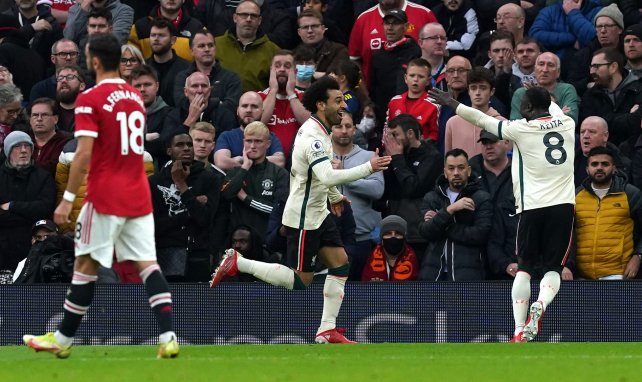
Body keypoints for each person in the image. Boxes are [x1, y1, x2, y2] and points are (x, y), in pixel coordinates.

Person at [23, 33, 178, 359]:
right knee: (148, 265)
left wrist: (66, 199)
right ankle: (168, 336)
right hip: (138, 193)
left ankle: (63, 340)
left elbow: (83, 155)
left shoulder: (90, 98)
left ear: (93, 60)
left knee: (84, 265)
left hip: (105, 195)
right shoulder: (135, 97)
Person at [210, 76, 392, 344]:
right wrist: (369, 168)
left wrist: (334, 198)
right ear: (321, 104)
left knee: (340, 264)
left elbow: (315, 177)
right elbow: (328, 175)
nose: (343, 105)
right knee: (300, 281)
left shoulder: (321, 130)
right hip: (304, 217)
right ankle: (240, 262)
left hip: (319, 211)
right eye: (337, 100)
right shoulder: (313, 138)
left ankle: (326, 330)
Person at [428, 85, 575, 342]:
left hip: (532, 207)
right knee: (553, 268)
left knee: (525, 269)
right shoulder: (567, 123)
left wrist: (453, 103)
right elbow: (549, 107)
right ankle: (541, 302)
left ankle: (519, 329)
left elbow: (483, 119)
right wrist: (541, 94)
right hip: (563, 206)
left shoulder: (519, 129)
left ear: (527, 109)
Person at [149, 131, 220, 282]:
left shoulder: (210, 179)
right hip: (164, 253)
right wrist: (190, 209)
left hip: (198, 254)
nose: (186, 148)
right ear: (169, 151)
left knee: (197, 304)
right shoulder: (154, 182)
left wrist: (181, 185)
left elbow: (205, 219)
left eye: (189, 144)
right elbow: (154, 226)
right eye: (180, 145)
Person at [419, 148, 493, 281]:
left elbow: (480, 235)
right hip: (433, 273)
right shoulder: (431, 197)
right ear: (445, 172)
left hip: (468, 275)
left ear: (469, 171)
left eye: (461, 168)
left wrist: (442, 223)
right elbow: (425, 232)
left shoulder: (481, 198)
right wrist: (450, 210)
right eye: (451, 168)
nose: (456, 173)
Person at [575, 146, 642, 280]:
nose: (599, 167)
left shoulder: (630, 194)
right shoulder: (575, 196)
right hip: (581, 277)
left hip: (618, 275)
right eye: (594, 164)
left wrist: (638, 256)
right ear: (587, 169)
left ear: (614, 168)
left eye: (605, 164)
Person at [331, 111, 384, 281]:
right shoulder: (319, 158)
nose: (344, 131)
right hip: (328, 239)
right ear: (329, 129)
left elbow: (377, 190)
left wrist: (344, 176)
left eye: (348, 126)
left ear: (355, 130)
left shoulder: (369, 157)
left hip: (362, 239)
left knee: (361, 298)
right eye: (338, 126)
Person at [0, 131, 56, 282]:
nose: (24, 150)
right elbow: (35, 210)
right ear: (8, 151)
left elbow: (44, 209)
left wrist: (12, 206)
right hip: (3, 249)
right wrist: (28, 213)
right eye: (18, 146)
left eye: (27, 146)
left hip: (33, 249)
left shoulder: (43, 177)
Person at [220, 121, 289, 241]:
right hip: (238, 240)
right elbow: (226, 195)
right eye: (249, 141)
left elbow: (277, 212)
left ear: (268, 144)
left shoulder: (280, 173)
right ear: (243, 143)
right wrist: (245, 167)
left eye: (258, 141)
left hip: (265, 241)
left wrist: (245, 198)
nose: (252, 146)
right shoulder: (235, 172)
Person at [214, 91, 286, 170]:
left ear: (262, 111)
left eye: (254, 106)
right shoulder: (227, 136)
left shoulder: (270, 137)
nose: (249, 110)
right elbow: (222, 163)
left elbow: (280, 161)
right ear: (238, 110)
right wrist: (261, 161)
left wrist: (243, 160)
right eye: (244, 106)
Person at [361, 215, 419, 282]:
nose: (393, 237)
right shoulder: (372, 258)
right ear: (382, 239)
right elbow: (364, 286)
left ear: (404, 238)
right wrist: (372, 288)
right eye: (388, 233)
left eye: (398, 233)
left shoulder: (412, 258)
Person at [29, 97, 72, 175]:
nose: (39, 119)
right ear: (30, 120)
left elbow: (53, 168)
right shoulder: (23, 141)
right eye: (35, 115)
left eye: (44, 115)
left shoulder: (66, 143)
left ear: (55, 119)